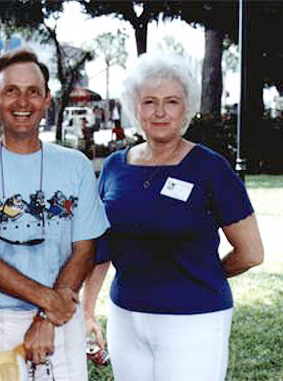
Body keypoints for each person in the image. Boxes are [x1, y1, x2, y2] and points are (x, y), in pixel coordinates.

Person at [83, 53, 264, 381]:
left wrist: (205, 274)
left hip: (193, 320)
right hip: (126, 317)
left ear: (187, 107)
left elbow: (251, 252)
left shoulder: (210, 168)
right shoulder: (114, 166)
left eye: (172, 101)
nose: (160, 112)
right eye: (149, 101)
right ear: (135, 107)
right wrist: (87, 310)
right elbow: (101, 245)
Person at [0, 49, 109, 381]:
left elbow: (85, 249)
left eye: (33, 91)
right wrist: (49, 302)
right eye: (11, 91)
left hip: (61, 322)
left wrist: (47, 317)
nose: (23, 101)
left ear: (47, 99)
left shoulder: (74, 165)